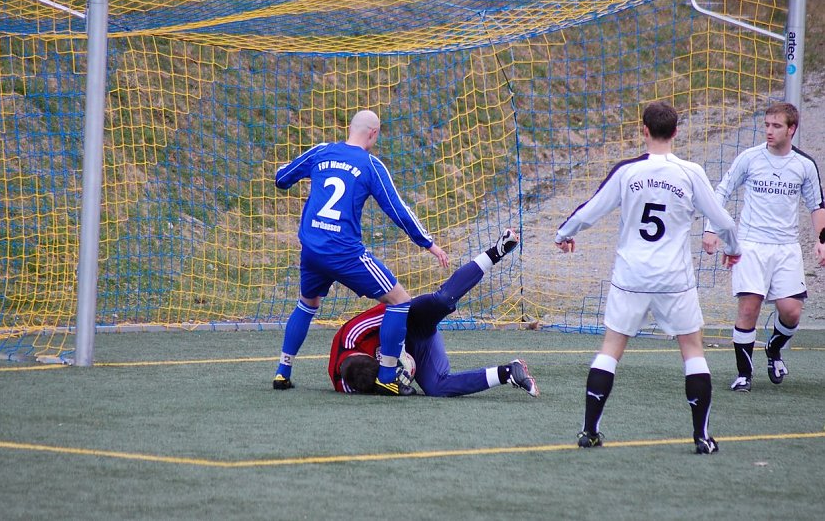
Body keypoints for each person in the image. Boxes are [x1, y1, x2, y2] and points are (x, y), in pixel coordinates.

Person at [554, 101, 741, 455]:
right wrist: (733, 247)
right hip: (675, 279)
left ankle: (589, 431)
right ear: (676, 132)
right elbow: (725, 221)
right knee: (692, 351)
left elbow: (591, 209)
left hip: (631, 276)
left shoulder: (627, 171)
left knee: (610, 350)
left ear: (643, 130)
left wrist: (564, 233)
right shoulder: (690, 172)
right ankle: (701, 436)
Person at [273, 109, 449, 395]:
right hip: (344, 252)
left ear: (350, 128)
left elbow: (282, 178)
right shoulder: (370, 165)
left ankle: (283, 370)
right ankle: (388, 375)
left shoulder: (321, 152)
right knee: (400, 301)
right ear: (373, 133)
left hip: (312, 250)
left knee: (307, 303)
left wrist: (285, 171)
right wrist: (428, 243)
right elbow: (397, 209)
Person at [702, 102, 825, 392]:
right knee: (749, 307)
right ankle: (744, 374)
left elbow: (816, 205)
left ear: (791, 129)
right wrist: (711, 228)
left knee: (792, 311)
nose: (769, 131)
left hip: (785, 248)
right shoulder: (750, 158)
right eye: (767, 125)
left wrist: (822, 241)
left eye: (776, 126)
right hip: (751, 245)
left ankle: (773, 349)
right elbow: (722, 190)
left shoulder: (804, 165)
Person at [329, 229, 538, 398]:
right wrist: (395, 382)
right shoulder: (345, 384)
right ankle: (509, 372)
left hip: (409, 319)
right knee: (437, 388)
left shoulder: (352, 334)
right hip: (412, 348)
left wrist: (397, 352)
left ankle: (497, 250)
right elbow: (369, 389)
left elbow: (397, 307)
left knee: (443, 300)